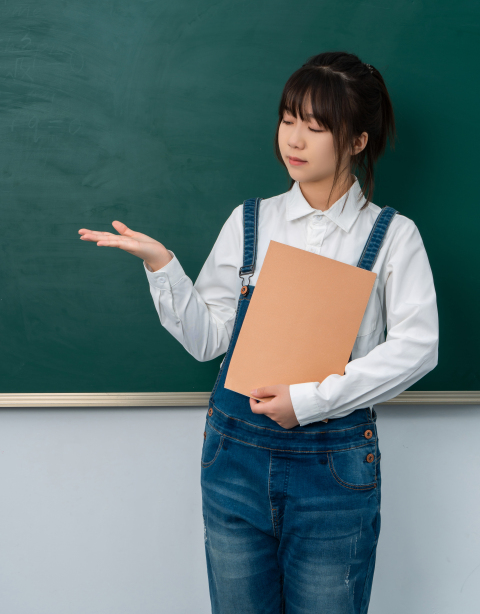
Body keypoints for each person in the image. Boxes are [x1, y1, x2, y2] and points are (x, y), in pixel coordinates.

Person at [78, 51, 439, 613]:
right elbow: (209, 340)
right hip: (235, 460)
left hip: (333, 470)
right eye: (289, 119)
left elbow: (418, 349)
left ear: (357, 141)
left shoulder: (393, 237)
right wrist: (162, 265)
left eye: (316, 128)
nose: (294, 139)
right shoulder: (251, 221)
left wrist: (311, 401)